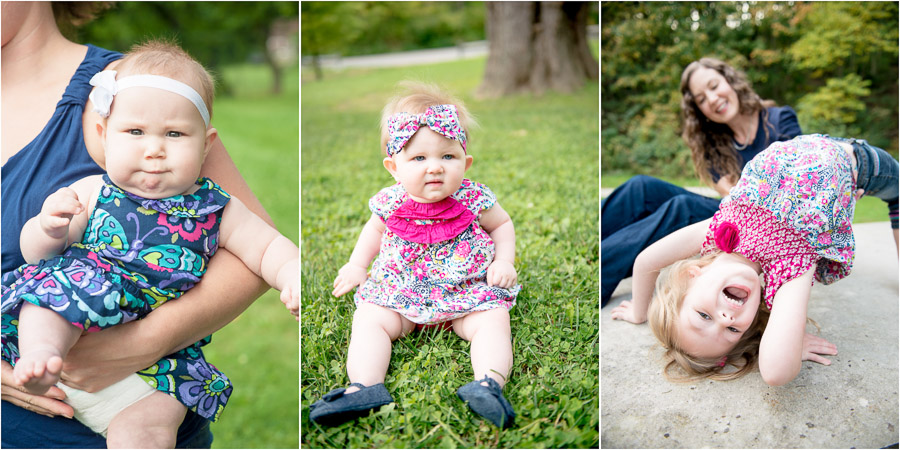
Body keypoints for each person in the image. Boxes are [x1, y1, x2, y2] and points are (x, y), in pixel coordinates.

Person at [1, 2, 281, 447]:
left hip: (134, 393)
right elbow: (39, 246)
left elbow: (260, 251)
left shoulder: (146, 91)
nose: (155, 148)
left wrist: (147, 339)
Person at [308, 83, 520, 429]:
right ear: (393, 167)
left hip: (465, 294)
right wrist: (357, 265)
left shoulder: (474, 198)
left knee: (494, 319)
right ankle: (365, 386)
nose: (434, 168)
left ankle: (489, 384)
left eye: (447, 157)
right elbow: (373, 232)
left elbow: (503, 225)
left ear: (465, 162)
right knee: (369, 318)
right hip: (400, 292)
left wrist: (503, 261)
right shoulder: (390, 202)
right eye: (419, 158)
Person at [611, 134, 899, 386]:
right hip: (863, 164)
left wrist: (640, 310)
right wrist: (788, 341)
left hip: (817, 144)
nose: (725, 318)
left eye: (703, 316)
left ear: (692, 275)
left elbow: (647, 260)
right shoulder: (790, 268)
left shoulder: (720, 228)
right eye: (733, 330)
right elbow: (775, 373)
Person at [601, 57, 802, 307]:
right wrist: (735, 189)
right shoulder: (714, 140)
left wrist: (735, 189)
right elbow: (728, 189)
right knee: (641, 187)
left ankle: (597, 274)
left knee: (683, 207)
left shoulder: (779, 119)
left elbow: (795, 179)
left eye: (714, 86)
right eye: (702, 99)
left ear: (730, 81)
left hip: (766, 221)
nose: (713, 99)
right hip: (734, 208)